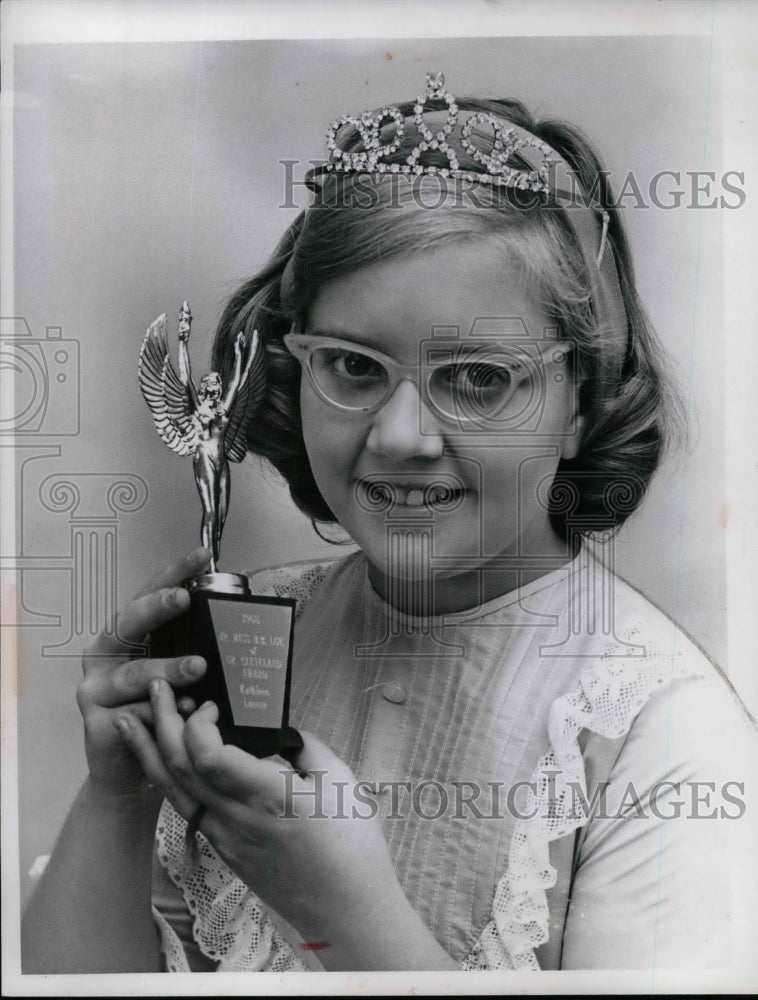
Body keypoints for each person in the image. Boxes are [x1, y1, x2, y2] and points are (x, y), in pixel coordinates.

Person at [21, 72, 756, 975]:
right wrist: (118, 797)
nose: (401, 436)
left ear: (581, 402)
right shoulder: (257, 641)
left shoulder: (658, 730)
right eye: (355, 368)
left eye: (479, 378)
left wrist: (341, 913)